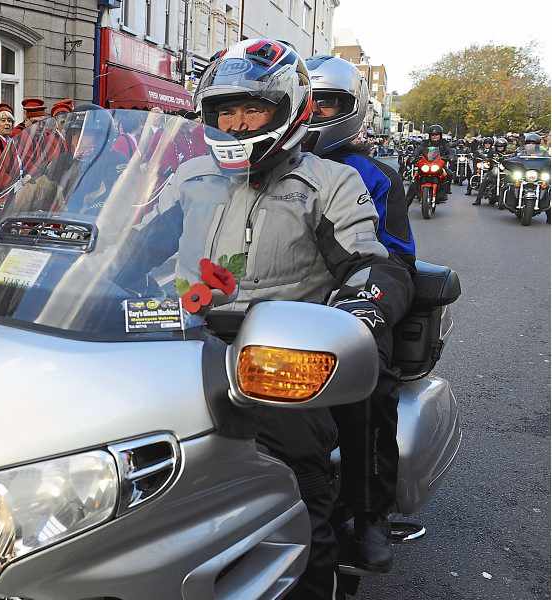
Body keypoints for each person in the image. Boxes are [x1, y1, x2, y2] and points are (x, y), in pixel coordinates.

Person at [123, 39, 412, 599]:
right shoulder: (189, 178)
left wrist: (363, 305)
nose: (236, 123)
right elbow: (131, 250)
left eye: (252, 108)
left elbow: (372, 262)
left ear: (288, 107)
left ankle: (314, 574)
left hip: (274, 361)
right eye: (225, 110)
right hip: (180, 342)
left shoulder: (330, 182)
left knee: (299, 502)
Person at [305, 55, 416, 574]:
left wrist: (363, 306)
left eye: (327, 101)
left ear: (353, 109)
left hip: (345, 305)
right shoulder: (255, 165)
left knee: (369, 378)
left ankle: (369, 511)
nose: (316, 111)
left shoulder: (375, 176)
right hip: (273, 299)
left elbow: (393, 257)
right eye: (308, 100)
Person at [406, 124, 452, 204]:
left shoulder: (444, 143)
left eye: (436, 134)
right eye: (432, 135)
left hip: (439, 164)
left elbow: (449, 151)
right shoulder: (425, 143)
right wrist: (414, 156)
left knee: (449, 174)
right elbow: (418, 149)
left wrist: (451, 157)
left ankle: (444, 193)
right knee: (415, 178)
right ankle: (406, 204)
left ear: (440, 135)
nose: (435, 136)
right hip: (425, 164)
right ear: (430, 135)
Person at [472, 136, 499, 205]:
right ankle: (477, 199)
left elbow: (496, 158)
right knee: (475, 174)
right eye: (486, 143)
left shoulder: (494, 152)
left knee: (487, 181)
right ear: (484, 144)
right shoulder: (480, 150)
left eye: (489, 143)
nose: (487, 144)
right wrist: (474, 157)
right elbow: (475, 155)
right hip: (481, 166)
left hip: (491, 168)